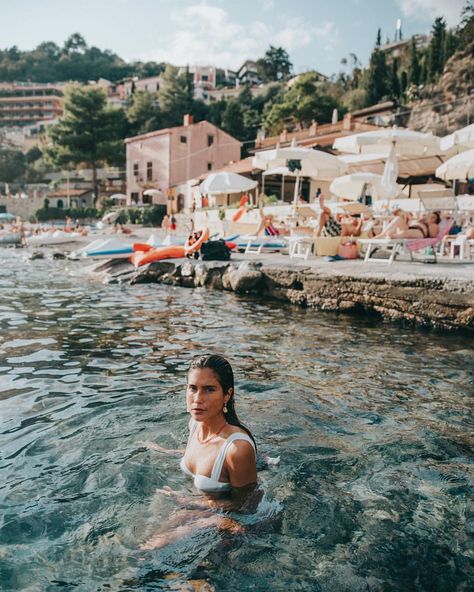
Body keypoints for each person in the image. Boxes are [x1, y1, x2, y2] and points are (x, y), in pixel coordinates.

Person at [140, 354, 259, 550]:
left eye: (209, 390)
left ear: (227, 395)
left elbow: (249, 504)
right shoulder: (196, 424)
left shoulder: (237, 449)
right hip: (197, 508)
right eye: (192, 388)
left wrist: (193, 504)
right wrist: (166, 451)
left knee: (155, 549)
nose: (197, 399)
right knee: (144, 547)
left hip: (228, 525)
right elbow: (202, 453)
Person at [375, 209, 440, 239]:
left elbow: (433, 235)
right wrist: (420, 220)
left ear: (436, 220)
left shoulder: (434, 225)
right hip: (408, 228)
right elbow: (409, 221)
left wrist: (429, 224)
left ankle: (392, 236)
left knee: (407, 233)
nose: (431, 217)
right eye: (431, 216)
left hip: (420, 232)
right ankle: (382, 234)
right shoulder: (419, 220)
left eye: (433, 217)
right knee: (399, 218)